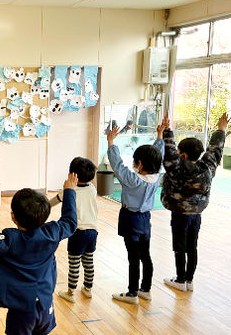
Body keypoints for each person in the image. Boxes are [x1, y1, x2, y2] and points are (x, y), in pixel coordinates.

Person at [0, 174, 78, 335]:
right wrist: (69, 191)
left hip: (21, 313)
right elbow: (70, 221)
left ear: (13, 217)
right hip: (46, 306)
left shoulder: (8, 242)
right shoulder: (53, 233)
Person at [161, 112, 229, 291]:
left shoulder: (177, 169)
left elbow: (168, 153)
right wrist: (221, 130)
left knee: (179, 247)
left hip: (180, 214)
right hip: (196, 215)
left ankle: (180, 279)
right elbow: (215, 149)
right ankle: (189, 280)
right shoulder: (207, 167)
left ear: (182, 155)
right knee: (192, 247)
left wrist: (166, 131)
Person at [106, 120, 166, 304]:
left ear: (139, 164)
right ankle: (145, 290)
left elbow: (117, 165)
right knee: (145, 256)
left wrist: (110, 142)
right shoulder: (155, 177)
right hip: (145, 219)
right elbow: (158, 154)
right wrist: (159, 136)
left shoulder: (132, 179)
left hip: (130, 219)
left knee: (133, 258)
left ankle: (132, 293)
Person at [50, 157, 98, 303]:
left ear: (72, 175)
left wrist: (42, 206)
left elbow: (53, 201)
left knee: (74, 263)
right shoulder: (92, 189)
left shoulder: (70, 191)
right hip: (92, 231)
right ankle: (88, 289)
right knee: (88, 261)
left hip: (78, 232)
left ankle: (71, 292)